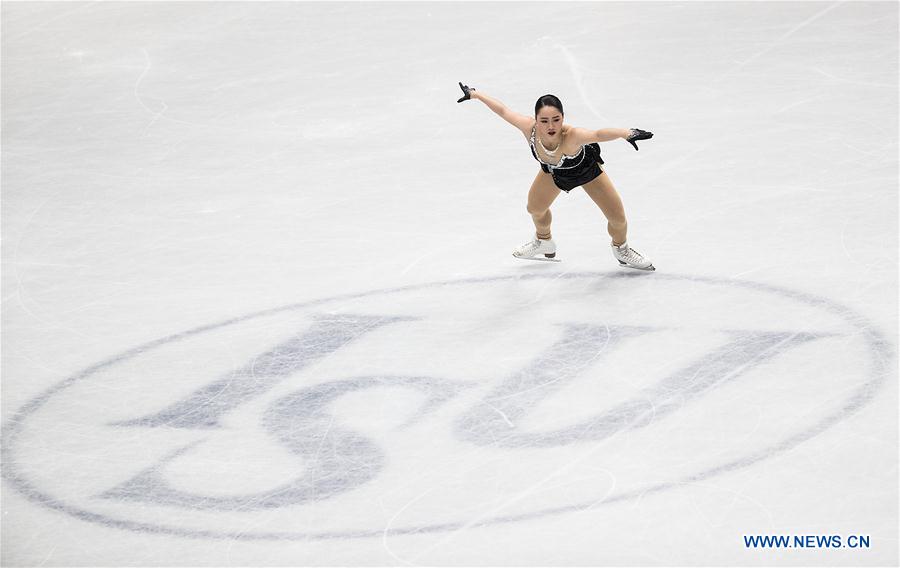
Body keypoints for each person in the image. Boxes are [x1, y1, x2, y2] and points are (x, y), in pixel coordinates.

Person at [456, 82, 655, 270]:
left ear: (562, 118)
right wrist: (475, 94)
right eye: (544, 121)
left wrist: (626, 133)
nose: (551, 126)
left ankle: (622, 249)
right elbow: (504, 111)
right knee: (534, 208)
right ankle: (544, 241)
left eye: (556, 120)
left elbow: (598, 134)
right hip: (554, 172)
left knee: (618, 219)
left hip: (588, 173)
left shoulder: (572, 136)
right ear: (535, 120)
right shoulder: (529, 129)